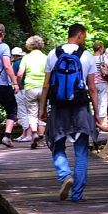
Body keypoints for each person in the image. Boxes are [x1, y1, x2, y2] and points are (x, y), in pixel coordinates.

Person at [39, 23, 97, 201]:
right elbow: (92, 88)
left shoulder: (52, 54)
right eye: (84, 36)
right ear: (79, 35)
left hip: (58, 106)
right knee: (81, 151)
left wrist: (42, 109)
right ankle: (77, 195)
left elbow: (47, 84)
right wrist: (98, 114)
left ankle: (65, 175)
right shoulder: (86, 55)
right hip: (80, 107)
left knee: (57, 145)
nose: (84, 40)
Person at [18, 35, 47, 146]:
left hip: (30, 87)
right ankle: (41, 137)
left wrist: (18, 84)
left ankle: (34, 133)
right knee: (42, 112)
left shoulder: (26, 58)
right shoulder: (45, 57)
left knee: (32, 113)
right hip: (43, 88)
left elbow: (20, 74)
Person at [91, 42, 108, 130]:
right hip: (102, 83)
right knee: (103, 103)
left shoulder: (90, 58)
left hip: (92, 83)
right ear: (100, 49)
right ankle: (101, 124)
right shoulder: (103, 58)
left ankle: (95, 121)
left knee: (95, 103)